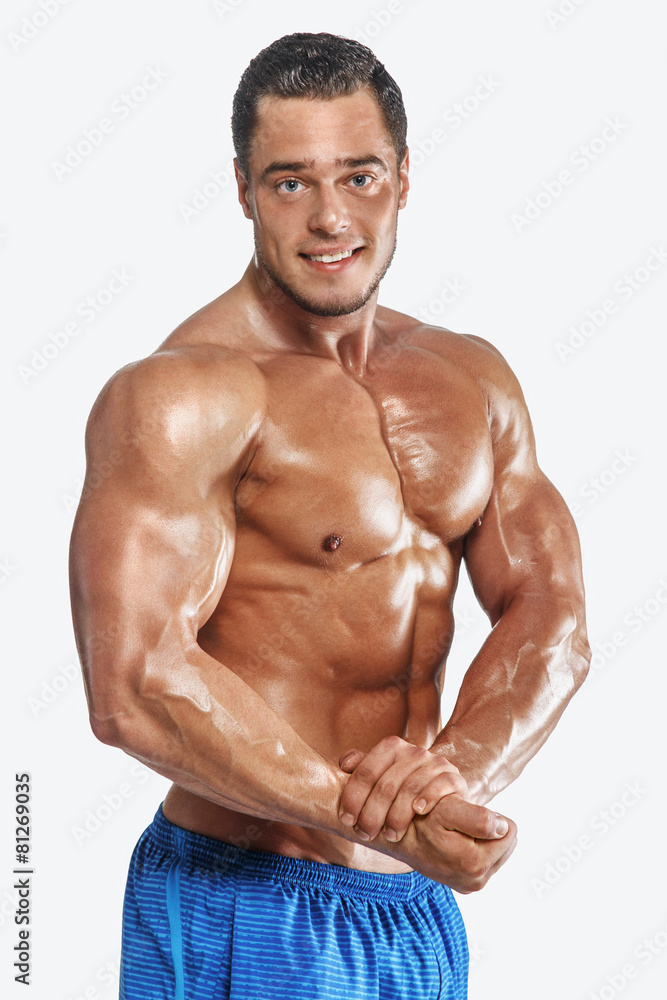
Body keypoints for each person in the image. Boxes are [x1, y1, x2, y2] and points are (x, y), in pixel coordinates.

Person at [69, 31, 591, 1000]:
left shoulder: (473, 378)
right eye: (289, 183)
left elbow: (549, 613)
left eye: (357, 176)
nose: (328, 217)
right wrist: (384, 816)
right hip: (244, 897)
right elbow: (132, 682)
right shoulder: (182, 394)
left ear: (402, 176)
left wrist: (451, 781)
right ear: (240, 190)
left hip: (414, 908)